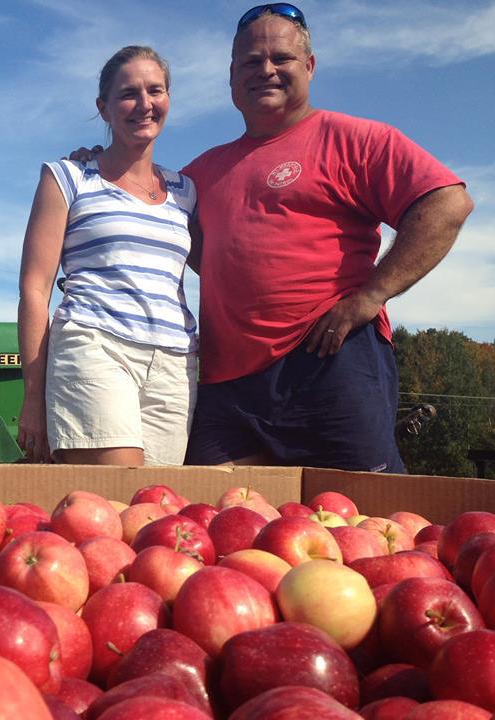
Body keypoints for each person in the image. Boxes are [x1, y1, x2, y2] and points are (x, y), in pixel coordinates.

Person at [76, 4, 474, 472]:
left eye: (281, 59)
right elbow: (163, 228)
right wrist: (100, 166)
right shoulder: (200, 173)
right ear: (231, 77)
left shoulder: (356, 140)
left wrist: (373, 294)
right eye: (250, 61)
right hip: (227, 385)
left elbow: (446, 202)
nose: (265, 70)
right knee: (209, 519)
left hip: (329, 359)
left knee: (361, 518)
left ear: (309, 66)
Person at [17, 46, 198, 466]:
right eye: (128, 94)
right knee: (115, 497)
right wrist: (34, 394)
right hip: (95, 345)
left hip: (173, 362)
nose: (144, 104)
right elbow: (34, 287)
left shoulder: (186, 190)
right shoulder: (67, 176)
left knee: (157, 509)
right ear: (104, 108)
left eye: (156, 90)